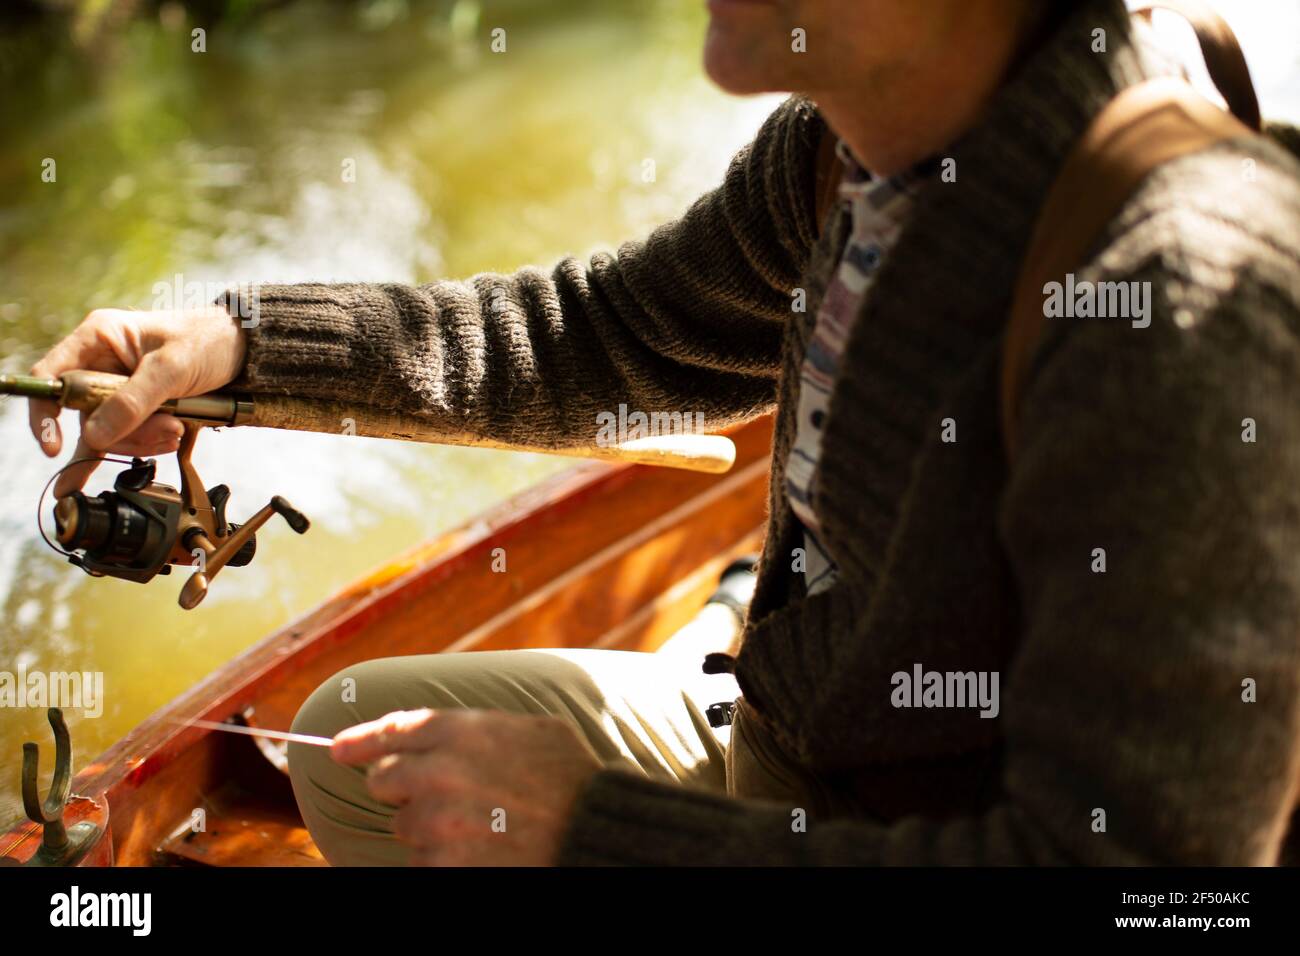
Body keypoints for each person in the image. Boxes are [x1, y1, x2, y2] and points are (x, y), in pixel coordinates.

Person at [27, 0, 1300, 866]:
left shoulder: (1171, 298)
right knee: (366, 745)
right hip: (802, 748)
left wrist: (590, 827)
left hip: (909, 826)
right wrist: (236, 348)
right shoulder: (844, 157)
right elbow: (599, 334)